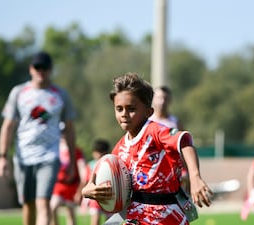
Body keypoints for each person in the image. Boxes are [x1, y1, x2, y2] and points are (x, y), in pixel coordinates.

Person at [82, 72, 212, 225]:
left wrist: (195, 177)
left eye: (131, 108)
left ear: (149, 112)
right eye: (119, 109)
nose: (124, 114)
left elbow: (185, 141)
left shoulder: (155, 131)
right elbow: (104, 177)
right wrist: (88, 190)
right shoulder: (120, 147)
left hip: (166, 214)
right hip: (136, 214)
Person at [0, 51, 77, 225]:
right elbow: (8, 126)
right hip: (23, 156)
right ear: (31, 69)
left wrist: (71, 161)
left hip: (50, 155)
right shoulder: (19, 92)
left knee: (43, 201)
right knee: (28, 203)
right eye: (37, 67)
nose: (41, 71)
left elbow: (70, 130)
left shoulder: (60, 95)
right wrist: (2, 156)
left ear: (51, 69)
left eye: (45, 67)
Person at [149, 86, 189, 193]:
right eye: (159, 98)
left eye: (165, 98)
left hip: (174, 172)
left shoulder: (175, 122)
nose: (162, 101)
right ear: (153, 99)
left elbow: (185, 147)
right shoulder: (147, 122)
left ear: (169, 100)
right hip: (153, 171)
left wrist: (187, 170)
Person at [50, 134, 87, 225]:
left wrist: (79, 191)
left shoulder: (76, 152)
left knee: (70, 213)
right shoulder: (55, 150)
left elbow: (83, 173)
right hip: (59, 185)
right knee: (52, 207)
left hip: (72, 186)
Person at [81, 139, 113, 225]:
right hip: (95, 199)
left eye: (102, 153)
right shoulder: (91, 166)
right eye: (97, 153)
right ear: (94, 153)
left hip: (109, 198)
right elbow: (85, 182)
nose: (99, 155)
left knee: (110, 222)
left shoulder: (112, 165)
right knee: (95, 221)